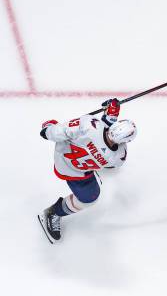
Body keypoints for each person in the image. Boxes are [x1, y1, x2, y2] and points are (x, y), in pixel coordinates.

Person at [38, 98, 137, 243]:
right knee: (89, 198)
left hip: (63, 157)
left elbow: (67, 131)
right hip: (77, 173)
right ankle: (53, 213)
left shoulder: (89, 125)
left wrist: (48, 130)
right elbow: (108, 145)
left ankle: (53, 213)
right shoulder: (118, 158)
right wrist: (108, 120)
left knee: (67, 132)